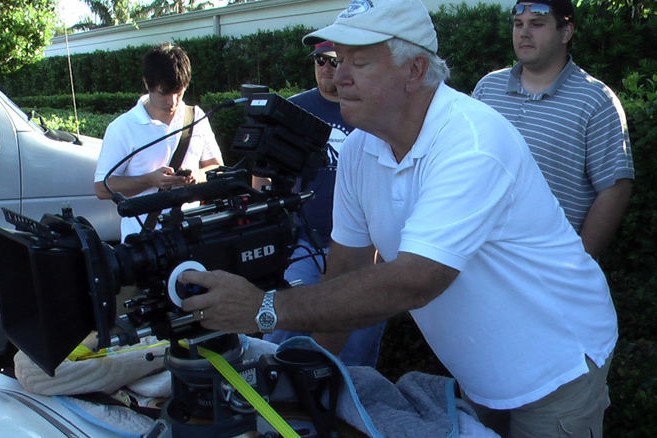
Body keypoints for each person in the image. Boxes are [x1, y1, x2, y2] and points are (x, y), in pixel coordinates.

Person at [179, 1, 617, 437]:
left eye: (360, 62)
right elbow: (347, 266)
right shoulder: (358, 149)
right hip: (484, 371)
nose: (338, 74)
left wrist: (264, 309)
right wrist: (310, 370)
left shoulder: (471, 141)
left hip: (559, 366)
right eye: (335, 59)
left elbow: (416, 279)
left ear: (415, 70)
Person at [473, 0, 634, 259]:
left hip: (548, 266)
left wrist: (577, 262)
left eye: (537, 24)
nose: (524, 33)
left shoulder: (595, 101)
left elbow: (615, 189)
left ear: (566, 32)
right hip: (480, 258)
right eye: (518, 24)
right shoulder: (487, 89)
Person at [260, 41, 387, 368]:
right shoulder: (294, 110)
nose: (329, 69)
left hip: (368, 252)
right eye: (321, 61)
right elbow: (262, 175)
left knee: (353, 352)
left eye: (335, 61)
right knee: (278, 332)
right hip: (306, 244)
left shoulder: (374, 109)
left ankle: (345, 411)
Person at [94, 43, 223, 240]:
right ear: (147, 83)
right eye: (164, 93)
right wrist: (149, 180)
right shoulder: (122, 128)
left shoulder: (196, 117)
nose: (172, 102)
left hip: (193, 232)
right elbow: (102, 188)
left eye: (179, 92)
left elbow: (216, 167)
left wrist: (195, 176)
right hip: (144, 240)